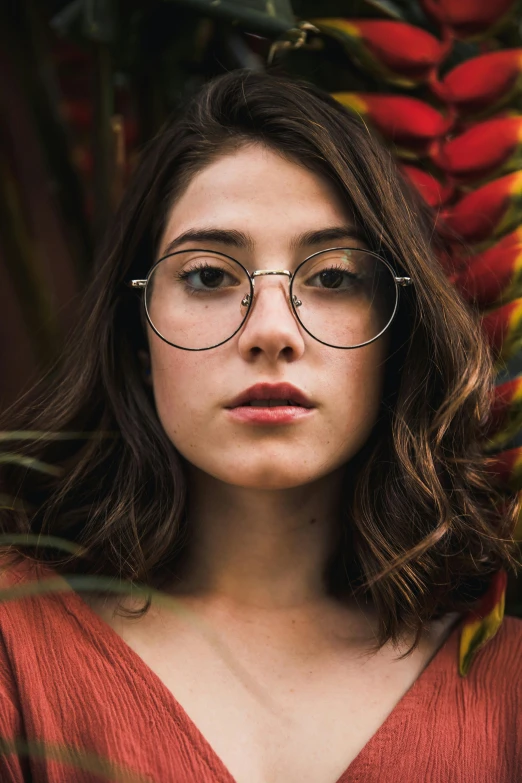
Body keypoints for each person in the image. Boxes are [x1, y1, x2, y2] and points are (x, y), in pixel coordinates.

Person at [0, 69, 520, 783]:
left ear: (396, 337)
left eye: (333, 276)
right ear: (137, 339)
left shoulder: (506, 684)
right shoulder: (15, 642)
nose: (270, 332)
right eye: (210, 276)